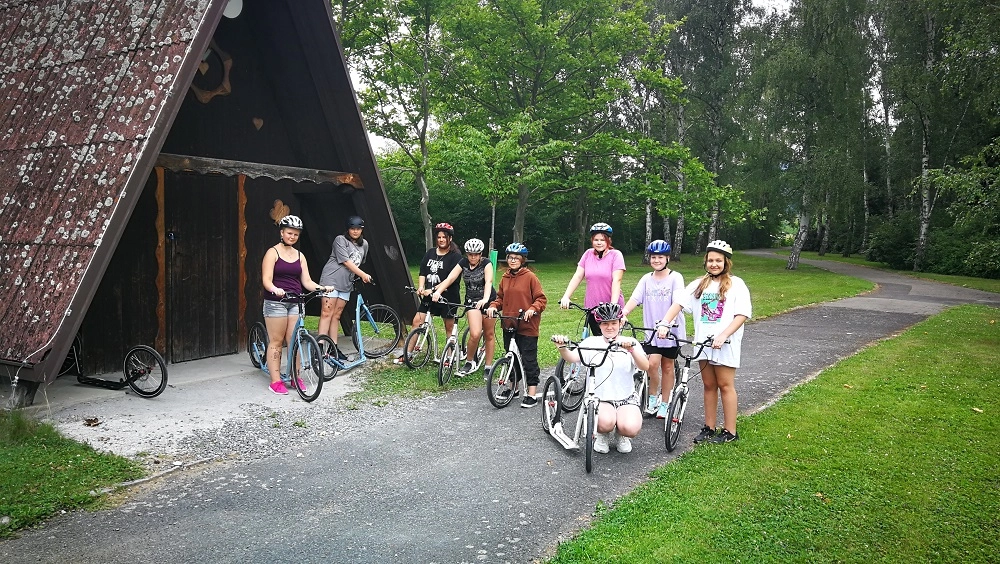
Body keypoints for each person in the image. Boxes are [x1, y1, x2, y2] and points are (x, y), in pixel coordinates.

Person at [655, 240, 751, 444]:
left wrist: (724, 335)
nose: (714, 264)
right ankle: (709, 427)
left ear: (726, 262)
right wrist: (665, 323)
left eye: (718, 260)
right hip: (703, 343)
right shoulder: (699, 285)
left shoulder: (736, 284)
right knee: (708, 385)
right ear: (705, 262)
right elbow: (678, 304)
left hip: (725, 344)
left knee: (725, 385)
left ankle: (730, 431)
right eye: (710, 260)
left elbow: (742, 314)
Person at [552, 302, 649, 453]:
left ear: (620, 323)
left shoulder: (630, 342)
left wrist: (632, 350)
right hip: (601, 398)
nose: (610, 327)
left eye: (613, 323)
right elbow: (572, 357)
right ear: (599, 325)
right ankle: (602, 435)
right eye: (605, 324)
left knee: (630, 427)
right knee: (605, 422)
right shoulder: (591, 342)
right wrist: (562, 348)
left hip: (626, 398)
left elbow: (645, 366)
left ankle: (621, 435)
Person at [261, 215, 332, 395]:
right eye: (289, 233)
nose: (292, 237)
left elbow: (306, 281)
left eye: (296, 234)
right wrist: (275, 289)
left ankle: (295, 376)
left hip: (296, 302)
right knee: (277, 341)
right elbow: (266, 280)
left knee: (295, 341)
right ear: (282, 233)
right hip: (276, 302)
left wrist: (322, 288)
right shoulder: (272, 253)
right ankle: (276, 381)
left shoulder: (300, 256)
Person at [622, 239, 686, 418]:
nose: (656, 260)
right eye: (653, 257)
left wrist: (666, 323)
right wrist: (623, 313)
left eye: (660, 257)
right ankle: (652, 397)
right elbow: (635, 298)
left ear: (667, 258)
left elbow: (679, 302)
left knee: (667, 366)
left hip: (670, 331)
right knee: (651, 365)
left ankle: (665, 402)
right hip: (652, 332)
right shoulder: (646, 279)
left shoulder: (675, 277)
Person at [486, 243, 546, 408]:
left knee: (528, 359)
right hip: (509, 323)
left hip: (527, 325)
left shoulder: (530, 277)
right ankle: (514, 388)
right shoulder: (505, 277)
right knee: (511, 356)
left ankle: (531, 393)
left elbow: (541, 299)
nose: (512, 260)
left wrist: (532, 309)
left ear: (523, 260)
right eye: (510, 257)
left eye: (516, 258)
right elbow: (500, 298)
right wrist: (493, 306)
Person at [396, 222, 463, 364]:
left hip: (448, 297)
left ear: (450, 238)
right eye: (439, 237)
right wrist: (421, 287)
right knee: (417, 322)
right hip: (429, 296)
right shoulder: (430, 253)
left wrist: (433, 290)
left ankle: (449, 356)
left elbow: (450, 280)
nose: (441, 240)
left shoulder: (456, 257)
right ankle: (408, 354)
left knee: (449, 327)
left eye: (444, 237)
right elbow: (423, 272)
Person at [432, 238, 497, 376]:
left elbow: (488, 282)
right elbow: (450, 278)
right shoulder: (463, 263)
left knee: (489, 334)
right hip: (472, 302)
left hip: (488, 300)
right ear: (467, 254)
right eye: (470, 254)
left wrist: (485, 299)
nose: (473, 257)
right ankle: (469, 361)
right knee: (475, 333)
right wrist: (438, 291)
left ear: (481, 254)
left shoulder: (486, 263)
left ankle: (488, 366)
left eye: (476, 254)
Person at [317, 215, 373, 360]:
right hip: (331, 280)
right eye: (352, 228)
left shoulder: (364, 244)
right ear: (348, 229)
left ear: (362, 230)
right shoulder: (340, 240)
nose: (355, 231)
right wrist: (363, 275)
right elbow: (346, 262)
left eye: (358, 229)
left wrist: (359, 275)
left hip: (346, 283)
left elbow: (359, 262)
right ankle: (319, 348)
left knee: (337, 315)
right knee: (327, 313)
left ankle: (333, 348)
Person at [559, 222, 626, 336]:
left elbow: (617, 280)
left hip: (611, 307)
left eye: (602, 240)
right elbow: (577, 276)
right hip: (592, 308)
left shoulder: (616, 255)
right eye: (596, 240)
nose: (599, 243)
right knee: (596, 341)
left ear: (608, 240)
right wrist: (566, 296)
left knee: (612, 342)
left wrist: (613, 306)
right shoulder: (588, 254)